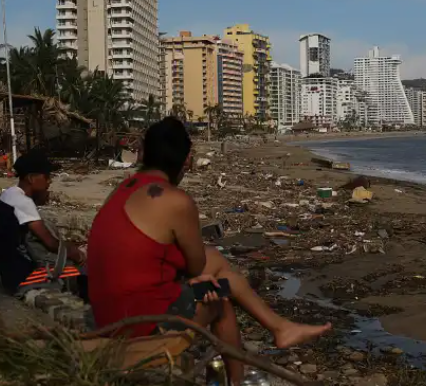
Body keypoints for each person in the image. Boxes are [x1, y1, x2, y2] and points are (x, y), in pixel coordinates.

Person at [87, 117, 331, 383]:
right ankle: (241, 375)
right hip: (140, 326)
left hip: (108, 316)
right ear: (187, 160)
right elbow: (195, 267)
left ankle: (279, 327)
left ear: (143, 153)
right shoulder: (175, 200)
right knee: (220, 298)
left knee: (217, 264)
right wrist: (195, 281)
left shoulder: (121, 190)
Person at [0, 150, 87, 296]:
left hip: (5, 268)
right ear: (31, 178)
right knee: (82, 272)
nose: (49, 181)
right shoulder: (23, 202)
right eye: (46, 177)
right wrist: (77, 254)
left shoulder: (9, 193)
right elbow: (51, 243)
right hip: (19, 277)